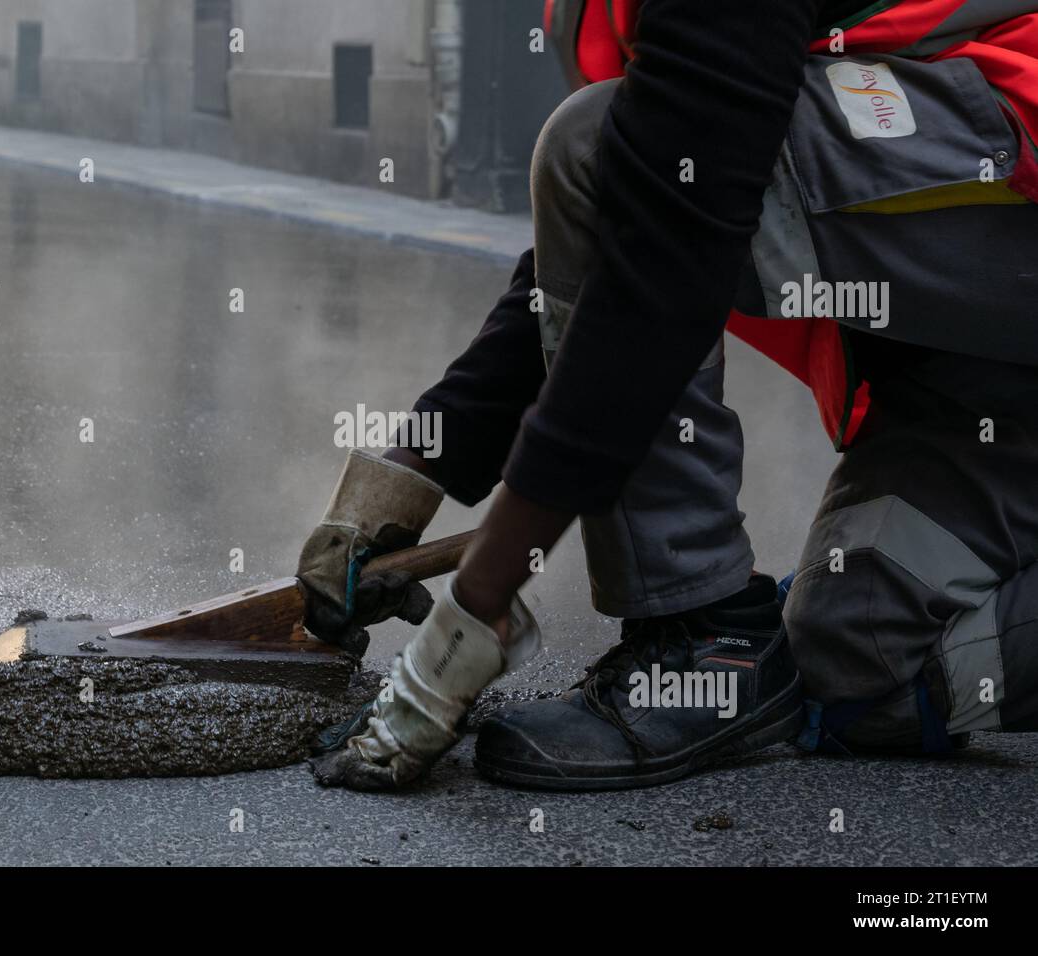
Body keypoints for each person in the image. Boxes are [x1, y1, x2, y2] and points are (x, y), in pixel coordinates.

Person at [300, 0, 1038, 791]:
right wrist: (401, 485)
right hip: (990, 369)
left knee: (591, 141)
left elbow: (660, 252)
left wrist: (474, 613)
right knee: (862, 667)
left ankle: (701, 639)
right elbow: (616, 242)